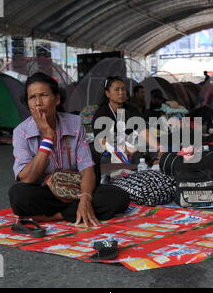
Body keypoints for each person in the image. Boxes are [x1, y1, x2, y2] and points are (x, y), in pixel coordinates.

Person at [8, 72, 130, 227]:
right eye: (32, 97)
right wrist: (47, 139)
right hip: (46, 193)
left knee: (118, 197)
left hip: (77, 189)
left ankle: (54, 217)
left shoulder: (74, 123)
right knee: (18, 196)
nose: (38, 103)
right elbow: (27, 179)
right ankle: (72, 212)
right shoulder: (21, 132)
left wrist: (85, 198)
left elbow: (86, 168)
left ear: (57, 99)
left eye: (44, 95)